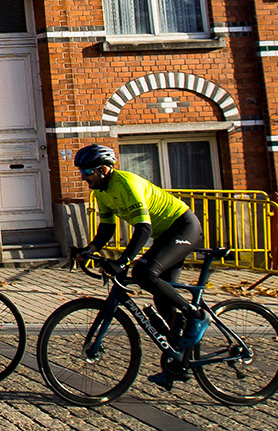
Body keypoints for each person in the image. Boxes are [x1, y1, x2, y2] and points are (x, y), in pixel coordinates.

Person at [69, 143, 203, 388]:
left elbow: (144, 229)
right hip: (165, 235)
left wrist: (124, 261)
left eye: (87, 172)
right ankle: (179, 363)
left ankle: (195, 314)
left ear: (104, 170)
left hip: (183, 227)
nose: (83, 177)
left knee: (143, 272)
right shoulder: (101, 191)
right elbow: (107, 228)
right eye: (81, 172)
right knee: (163, 301)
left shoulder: (126, 184)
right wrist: (89, 249)